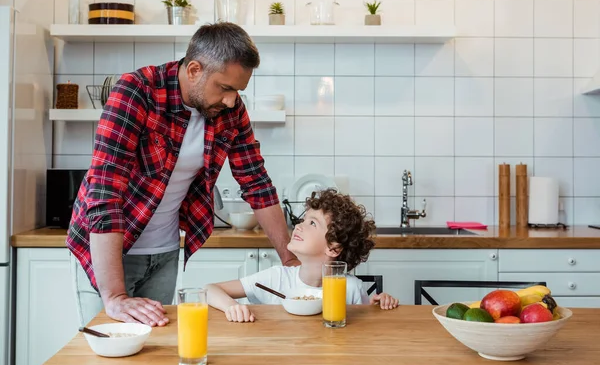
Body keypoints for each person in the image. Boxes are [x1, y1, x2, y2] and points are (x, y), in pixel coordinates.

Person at [66, 22, 298, 328]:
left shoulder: (230, 110)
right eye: (225, 87)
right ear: (193, 70)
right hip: (109, 254)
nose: (231, 100)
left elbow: (255, 181)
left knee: (157, 354)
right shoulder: (136, 92)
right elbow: (105, 191)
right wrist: (116, 296)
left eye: (238, 91)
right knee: (112, 355)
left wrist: (291, 261)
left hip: (164, 252)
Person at [206, 189, 399, 322]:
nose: (299, 225)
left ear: (333, 248)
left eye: (312, 223)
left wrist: (379, 306)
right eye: (303, 220)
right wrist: (232, 307)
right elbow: (210, 290)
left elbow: (363, 328)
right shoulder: (276, 278)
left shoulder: (350, 288)